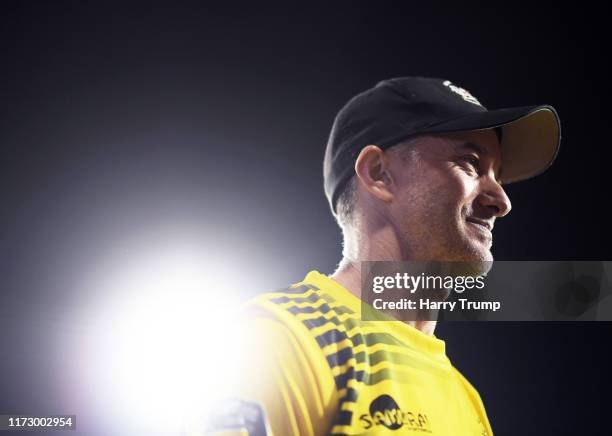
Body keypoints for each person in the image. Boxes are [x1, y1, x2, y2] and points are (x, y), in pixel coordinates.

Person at [195, 77, 561, 436]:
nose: (501, 201)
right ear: (379, 174)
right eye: (471, 163)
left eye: (496, 174)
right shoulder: (285, 338)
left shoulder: (465, 398)